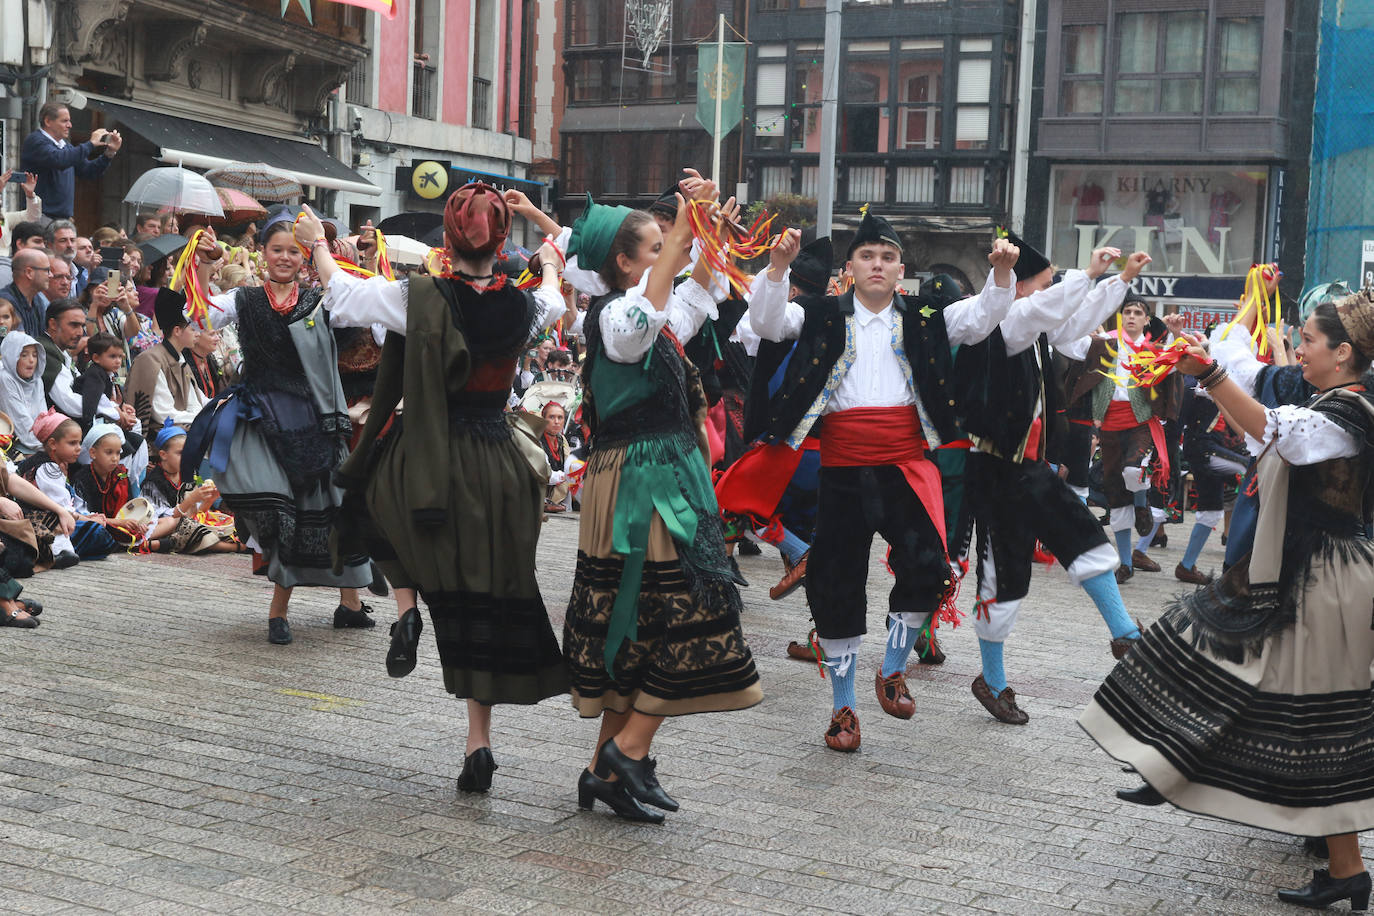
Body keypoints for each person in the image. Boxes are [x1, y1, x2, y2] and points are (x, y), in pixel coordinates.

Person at [1084, 290, 1374, 911]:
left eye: (1309, 341)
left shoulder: (1350, 414)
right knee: (1227, 666)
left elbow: (1278, 435)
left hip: (1325, 582)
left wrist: (1210, 374)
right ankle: (1173, 764)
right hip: (1301, 573)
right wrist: (1212, 367)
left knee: (1313, 721)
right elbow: (1263, 422)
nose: (1298, 347)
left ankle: (1343, 866)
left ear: (1343, 353)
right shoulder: (1328, 400)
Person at [306, 184, 571, 794]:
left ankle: (405, 608)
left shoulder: (418, 295)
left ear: (446, 242)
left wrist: (320, 243)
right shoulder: (526, 308)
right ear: (501, 243)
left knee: (372, 501)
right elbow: (554, 296)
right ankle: (479, 742)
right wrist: (551, 261)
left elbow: (342, 296)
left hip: (428, 449)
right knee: (481, 597)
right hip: (498, 461)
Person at [751, 211, 1018, 752]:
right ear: (850, 267)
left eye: (888, 257)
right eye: (867, 256)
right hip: (843, 468)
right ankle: (843, 709)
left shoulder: (924, 314)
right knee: (835, 585)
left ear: (902, 269)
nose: (877, 265)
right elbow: (766, 324)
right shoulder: (822, 311)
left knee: (929, 566)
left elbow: (982, 317)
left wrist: (1002, 274)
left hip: (903, 464)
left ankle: (892, 667)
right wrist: (777, 268)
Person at [561, 191, 762, 824]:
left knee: (643, 620)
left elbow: (693, 296)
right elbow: (651, 310)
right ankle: (629, 751)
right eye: (655, 245)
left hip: (657, 474)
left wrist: (709, 236)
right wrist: (686, 230)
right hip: (643, 481)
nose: (667, 252)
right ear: (625, 262)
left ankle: (605, 771)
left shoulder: (649, 312)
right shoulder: (620, 318)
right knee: (689, 608)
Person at [952, 235, 1151, 724]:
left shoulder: (1037, 327)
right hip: (997, 468)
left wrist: (1117, 282)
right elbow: (1045, 312)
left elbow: (1071, 321)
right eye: (1045, 284)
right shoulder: (1006, 323)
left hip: (1029, 467)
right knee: (1005, 574)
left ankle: (1125, 632)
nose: (1052, 292)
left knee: (1080, 532)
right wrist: (1088, 276)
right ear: (1019, 289)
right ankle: (993, 680)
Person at [186, 220, 375, 645]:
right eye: (276, 250)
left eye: (293, 250)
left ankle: (349, 604)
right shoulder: (246, 299)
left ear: (305, 255)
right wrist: (203, 264)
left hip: (313, 420)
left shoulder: (321, 301)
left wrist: (362, 259)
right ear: (264, 254)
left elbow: (366, 311)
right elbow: (198, 311)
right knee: (282, 510)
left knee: (335, 508)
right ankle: (279, 613)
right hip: (261, 418)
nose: (285, 257)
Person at [1064, 297, 1182, 583]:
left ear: (1146, 320)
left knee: (1134, 470)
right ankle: (1126, 564)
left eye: (1137, 313)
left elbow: (1176, 363)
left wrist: (1177, 335)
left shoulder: (1153, 350)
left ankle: (1142, 503)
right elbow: (1068, 346)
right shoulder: (1105, 344)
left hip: (1140, 422)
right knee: (1116, 498)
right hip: (1109, 424)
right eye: (1127, 312)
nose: (1131, 316)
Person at [16, 412, 119, 564]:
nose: (78, 448)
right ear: (53, 444)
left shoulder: (48, 464)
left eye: (79, 443)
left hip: (40, 521)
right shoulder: (49, 468)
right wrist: (89, 519)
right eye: (72, 443)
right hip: (41, 523)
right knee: (98, 534)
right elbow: (63, 509)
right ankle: (57, 552)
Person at [126, 288, 208, 439]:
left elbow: (196, 403)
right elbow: (164, 414)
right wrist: (204, 418)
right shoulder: (150, 360)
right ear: (177, 331)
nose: (198, 332)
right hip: (161, 439)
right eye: (193, 328)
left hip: (184, 428)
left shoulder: (180, 359)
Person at [19, 102, 121, 221]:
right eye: (64, 121)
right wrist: (90, 144)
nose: (70, 125)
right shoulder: (35, 141)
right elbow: (60, 160)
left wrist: (109, 153)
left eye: (69, 121)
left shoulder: (66, 146)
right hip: (40, 215)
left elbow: (89, 171)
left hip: (63, 217)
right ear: (48, 121)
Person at [0, 332, 49, 456]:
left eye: (35, 355)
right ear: (12, 357)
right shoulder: (5, 378)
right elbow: (20, 420)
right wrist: (46, 447)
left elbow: (43, 416)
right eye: (24, 355)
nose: (31, 360)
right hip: (13, 443)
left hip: (40, 442)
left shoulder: (37, 379)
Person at [38, 298, 85, 418]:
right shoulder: (43, 350)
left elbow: (81, 382)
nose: (80, 332)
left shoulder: (61, 351)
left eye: (82, 326)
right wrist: (111, 411)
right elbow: (69, 403)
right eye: (74, 325)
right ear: (53, 324)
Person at [2, 248, 52, 337]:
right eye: (47, 270)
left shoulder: (38, 300)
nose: (51, 275)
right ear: (29, 272)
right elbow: (17, 345)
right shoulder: (4, 302)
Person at [539, 400, 572, 513]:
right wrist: (567, 475)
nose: (556, 422)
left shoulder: (562, 439)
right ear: (543, 419)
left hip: (557, 492)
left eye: (560, 417)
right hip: (539, 490)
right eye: (551, 417)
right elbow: (544, 474)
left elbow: (570, 466)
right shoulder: (536, 439)